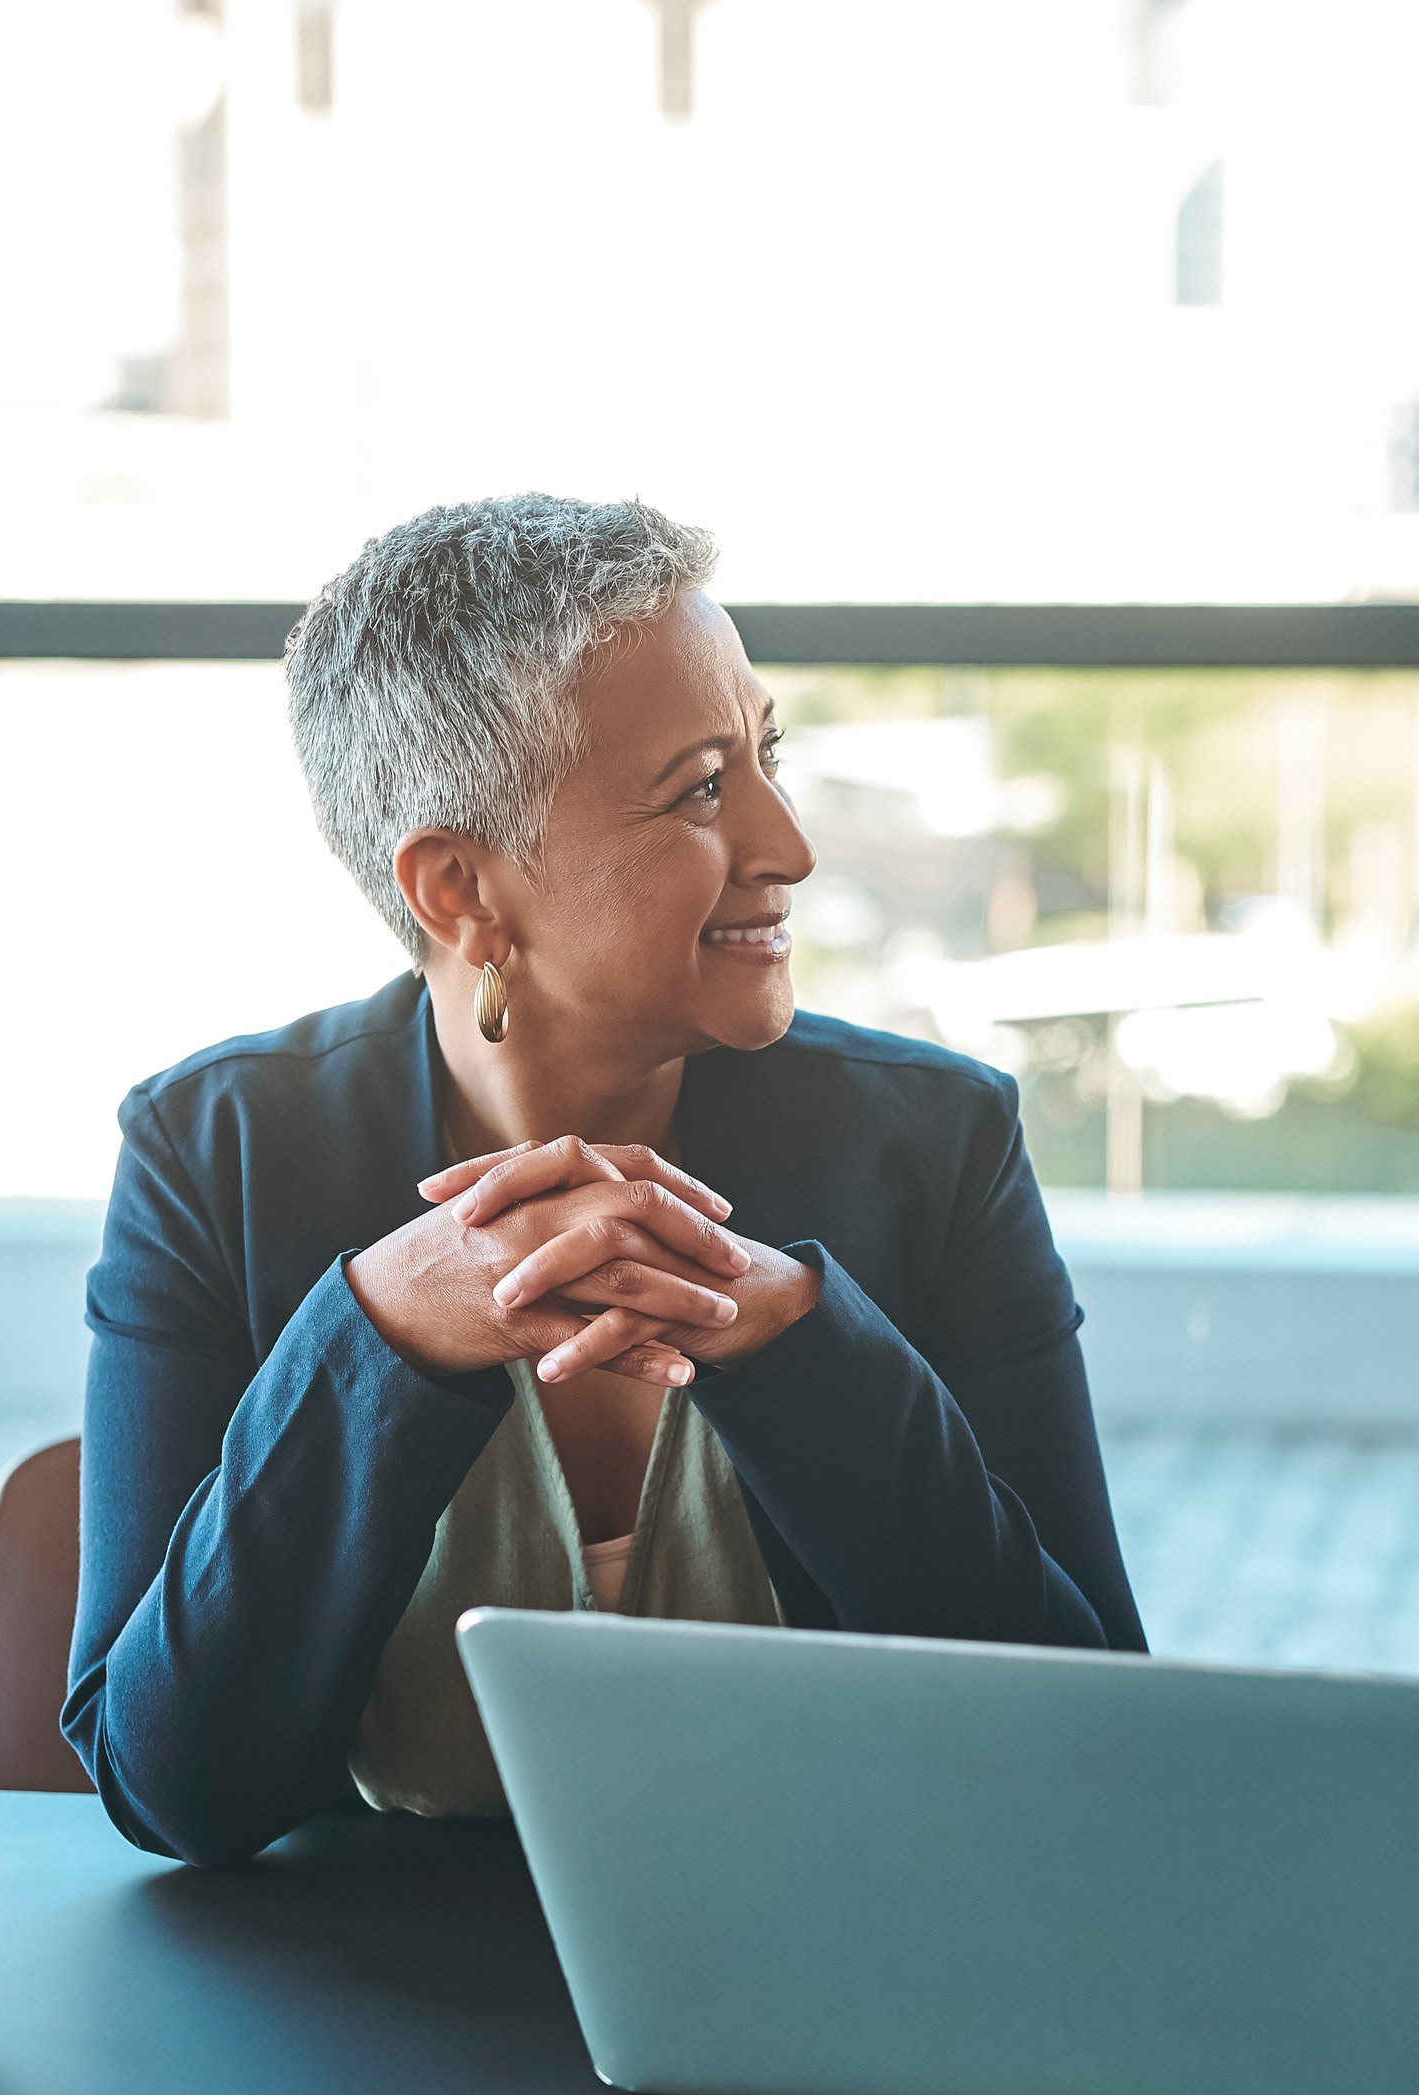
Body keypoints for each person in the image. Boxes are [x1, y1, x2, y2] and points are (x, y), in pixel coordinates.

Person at [67, 495, 1142, 1865]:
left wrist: (806, 1345)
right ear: (461, 891)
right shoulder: (211, 1155)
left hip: (858, 1973)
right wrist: (374, 1339)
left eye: (768, 755)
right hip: (371, 2021)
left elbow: (1093, 1721)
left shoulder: (936, 1145)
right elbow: (169, 1788)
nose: (790, 845)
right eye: (701, 787)